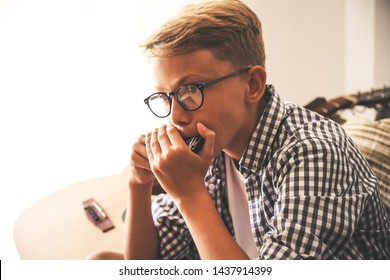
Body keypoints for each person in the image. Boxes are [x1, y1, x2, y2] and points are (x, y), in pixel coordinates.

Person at [88, 0, 390, 260]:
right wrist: (138, 185)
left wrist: (191, 194)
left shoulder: (314, 153)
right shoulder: (211, 145)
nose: (175, 117)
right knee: (99, 260)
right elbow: (143, 267)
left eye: (190, 91)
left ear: (253, 84)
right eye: (165, 97)